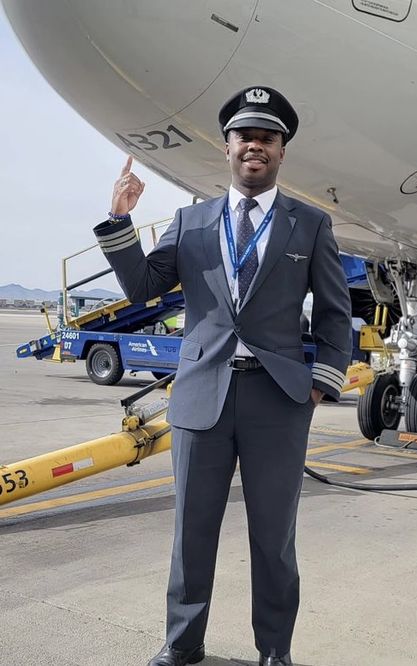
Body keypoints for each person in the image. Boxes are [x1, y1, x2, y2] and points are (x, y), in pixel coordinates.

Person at [94, 86, 352, 666]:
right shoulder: (191, 221)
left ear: (281, 150)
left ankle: (275, 651)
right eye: (244, 136)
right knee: (192, 533)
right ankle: (182, 645)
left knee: (274, 537)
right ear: (228, 148)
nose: (254, 146)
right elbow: (142, 288)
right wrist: (120, 219)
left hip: (277, 399)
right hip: (200, 396)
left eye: (267, 137)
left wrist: (321, 383)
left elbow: (337, 313)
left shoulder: (309, 224)